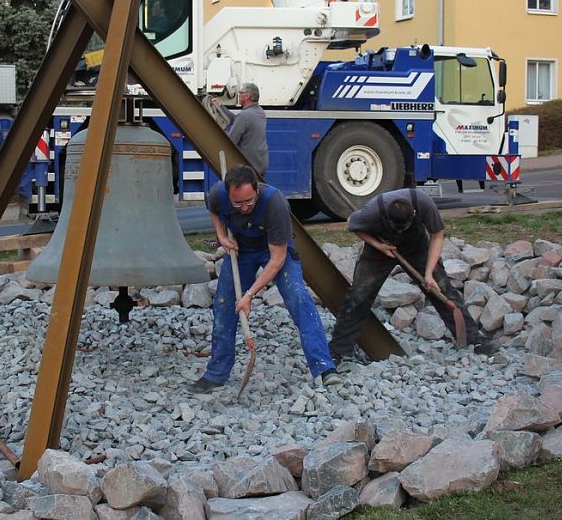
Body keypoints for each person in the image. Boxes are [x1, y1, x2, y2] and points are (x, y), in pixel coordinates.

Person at [187, 165, 340, 393]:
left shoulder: (274, 202)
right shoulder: (219, 193)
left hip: (274, 250)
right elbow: (215, 209)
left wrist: (249, 295)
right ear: (229, 194)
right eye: (237, 203)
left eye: (249, 201)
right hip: (241, 250)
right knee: (223, 305)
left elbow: (277, 259)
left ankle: (324, 368)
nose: (244, 207)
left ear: (257, 190)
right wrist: (221, 235)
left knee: (299, 298)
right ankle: (216, 374)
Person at [327, 188, 498, 367]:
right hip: (380, 251)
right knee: (358, 296)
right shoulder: (372, 211)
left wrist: (429, 273)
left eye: (403, 228)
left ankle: (473, 339)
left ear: (414, 214)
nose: (400, 232)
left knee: (442, 288)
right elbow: (352, 224)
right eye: (396, 228)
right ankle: (339, 351)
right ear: (385, 217)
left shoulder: (424, 203)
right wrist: (379, 245)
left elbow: (437, 236)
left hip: (417, 248)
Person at [219, 82, 269, 177]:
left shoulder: (244, 116)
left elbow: (231, 141)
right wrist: (221, 107)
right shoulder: (260, 112)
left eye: (240, 93)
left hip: (248, 168)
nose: (239, 95)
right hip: (260, 164)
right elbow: (238, 120)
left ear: (247, 96)